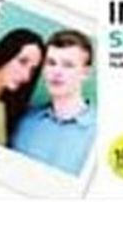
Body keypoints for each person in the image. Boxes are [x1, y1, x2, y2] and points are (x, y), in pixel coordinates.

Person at [11, 30, 96, 175]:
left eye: (68, 65)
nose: (56, 72)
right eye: (51, 63)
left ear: (85, 73)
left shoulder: (100, 133)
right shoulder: (24, 120)